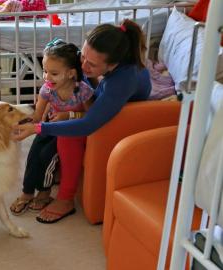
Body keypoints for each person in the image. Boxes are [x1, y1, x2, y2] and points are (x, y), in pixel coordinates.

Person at [12, 19, 152, 223]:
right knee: (47, 139)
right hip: (96, 105)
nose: (82, 64)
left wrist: (39, 127)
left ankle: (65, 199)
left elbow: (88, 123)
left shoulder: (123, 80)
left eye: (91, 64)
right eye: (83, 55)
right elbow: (67, 59)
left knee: (67, 137)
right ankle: (41, 182)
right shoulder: (95, 63)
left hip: (124, 122)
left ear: (112, 65)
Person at [10, 39, 94, 222]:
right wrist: (17, 123)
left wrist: (68, 115)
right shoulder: (47, 90)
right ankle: (27, 191)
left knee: (47, 156)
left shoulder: (83, 91)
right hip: (50, 127)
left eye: (54, 73)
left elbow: (91, 119)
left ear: (71, 73)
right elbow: (38, 116)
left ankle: (44, 192)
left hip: (71, 131)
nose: (47, 77)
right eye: (46, 71)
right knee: (34, 153)